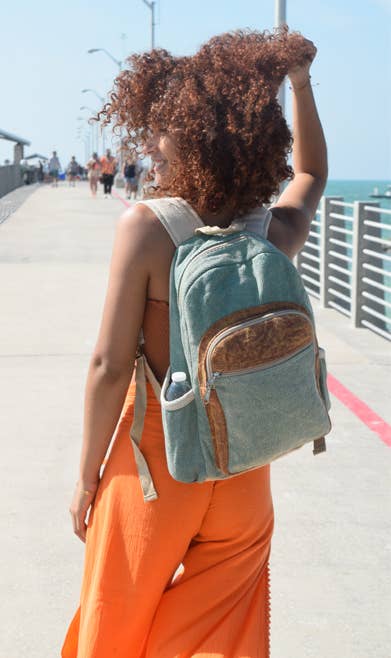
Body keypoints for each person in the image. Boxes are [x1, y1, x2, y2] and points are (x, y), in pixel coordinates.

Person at [63, 28, 327, 657]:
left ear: (189, 138)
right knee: (220, 634)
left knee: (114, 630)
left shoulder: (147, 229)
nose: (150, 143)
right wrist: (300, 81)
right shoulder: (270, 233)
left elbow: (106, 366)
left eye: (160, 129)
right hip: (242, 465)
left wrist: (85, 478)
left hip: (157, 468)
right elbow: (312, 172)